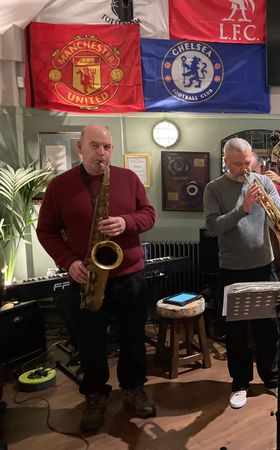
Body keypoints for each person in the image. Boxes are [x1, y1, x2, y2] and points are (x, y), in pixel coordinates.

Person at [36, 124, 156, 433]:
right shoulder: (60, 186)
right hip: (86, 278)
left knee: (133, 338)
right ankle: (94, 394)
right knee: (89, 342)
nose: (101, 152)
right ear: (80, 147)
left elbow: (149, 214)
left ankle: (134, 387)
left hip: (129, 276)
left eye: (107, 146)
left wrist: (126, 222)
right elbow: (46, 231)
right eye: (94, 146)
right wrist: (69, 262)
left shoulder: (128, 179)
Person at [203, 137, 280, 409]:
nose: (244, 169)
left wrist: (274, 205)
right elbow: (212, 227)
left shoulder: (262, 181)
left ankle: (274, 379)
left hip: (264, 266)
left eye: (247, 163)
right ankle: (240, 383)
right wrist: (242, 209)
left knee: (269, 328)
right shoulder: (214, 188)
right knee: (236, 333)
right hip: (232, 269)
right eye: (237, 164)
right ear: (225, 161)